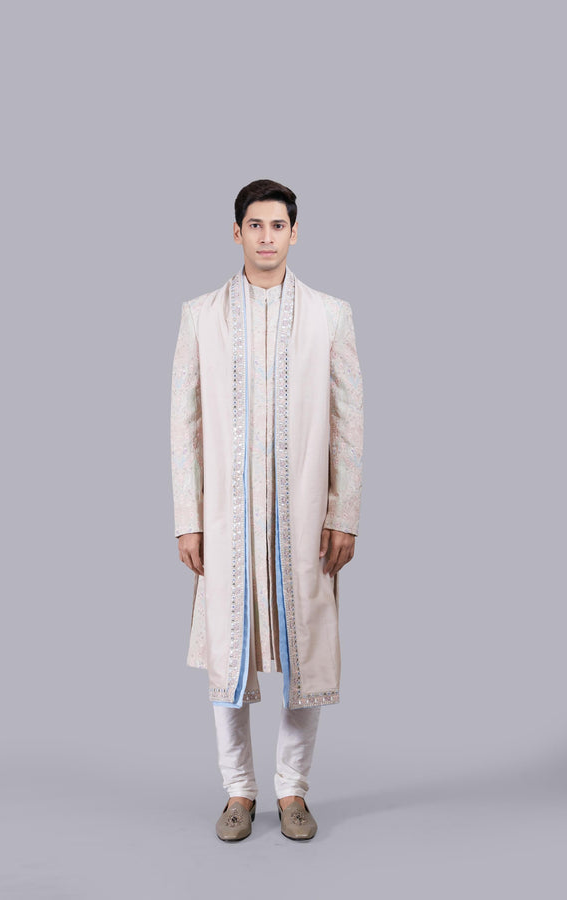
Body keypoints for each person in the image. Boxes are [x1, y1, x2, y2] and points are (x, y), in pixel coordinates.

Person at [170, 179, 363, 841]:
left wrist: (343, 513)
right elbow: (184, 425)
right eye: (254, 225)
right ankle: (238, 790)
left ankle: (292, 790)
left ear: (294, 232)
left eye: (278, 225)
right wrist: (188, 518)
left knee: (306, 645)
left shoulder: (329, 315)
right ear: (236, 232)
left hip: (304, 513)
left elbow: (348, 422)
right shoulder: (202, 315)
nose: (266, 237)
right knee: (229, 649)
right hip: (227, 518)